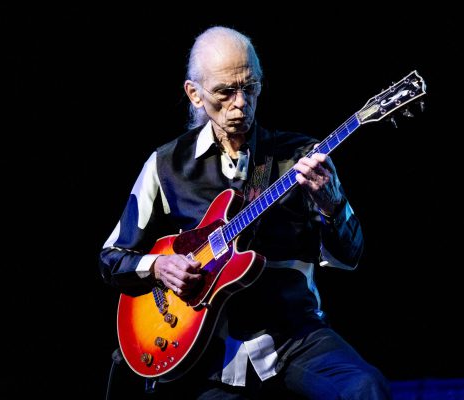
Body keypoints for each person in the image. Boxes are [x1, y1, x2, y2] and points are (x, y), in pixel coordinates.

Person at [99, 26, 391, 399]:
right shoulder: (164, 165)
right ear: (195, 94)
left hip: (295, 337)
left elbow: (350, 258)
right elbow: (112, 257)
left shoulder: (298, 157)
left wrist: (332, 204)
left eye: (249, 88)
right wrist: (159, 267)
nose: (240, 103)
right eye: (225, 92)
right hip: (205, 353)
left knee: (366, 387)